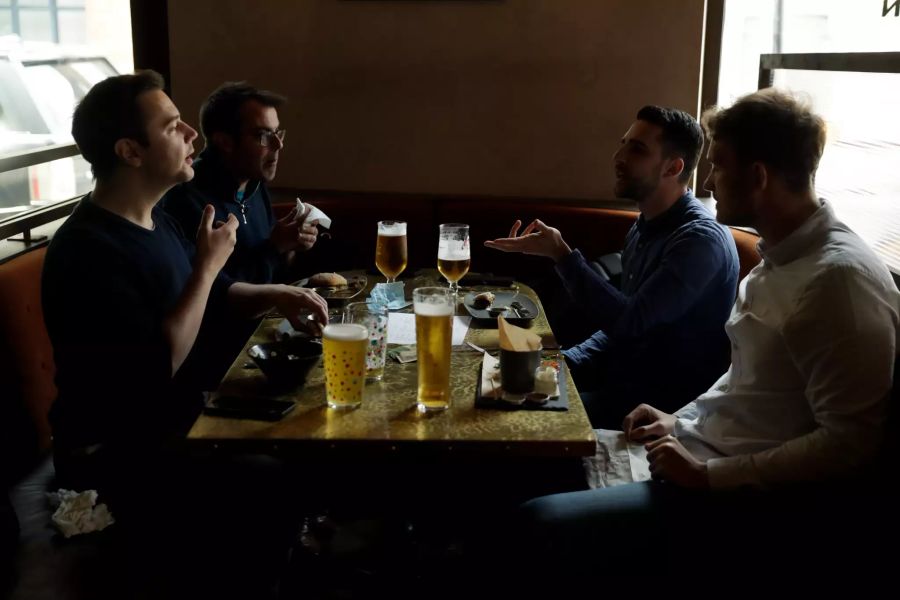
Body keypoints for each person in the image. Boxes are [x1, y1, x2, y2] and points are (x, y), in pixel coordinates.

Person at [513, 89, 900, 591]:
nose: (710, 182)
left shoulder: (839, 282)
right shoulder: (780, 257)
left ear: (758, 176)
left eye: (719, 166)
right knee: (520, 460)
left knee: (534, 523)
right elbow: (749, 381)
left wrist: (708, 476)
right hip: (694, 446)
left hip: (736, 496)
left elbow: (850, 443)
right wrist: (679, 417)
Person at [41, 70, 329, 598]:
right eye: (174, 127)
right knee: (277, 476)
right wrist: (206, 268)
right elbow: (156, 367)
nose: (192, 135)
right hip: (112, 455)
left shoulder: (156, 221)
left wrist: (276, 294)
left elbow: (211, 298)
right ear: (130, 150)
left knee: (313, 432)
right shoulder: (87, 250)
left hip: (175, 418)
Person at [485, 106, 739, 427]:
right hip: (621, 385)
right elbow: (618, 332)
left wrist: (561, 255)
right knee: (491, 384)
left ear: (673, 167)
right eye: (623, 143)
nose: (619, 156)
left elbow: (630, 323)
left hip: (663, 408)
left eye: (637, 149)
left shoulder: (700, 241)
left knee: (509, 418)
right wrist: (561, 363)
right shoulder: (643, 227)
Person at [163, 81, 319, 285]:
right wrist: (274, 247)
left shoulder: (253, 183)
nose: (278, 145)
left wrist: (291, 245)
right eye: (263, 135)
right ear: (225, 142)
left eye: (277, 133)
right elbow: (216, 292)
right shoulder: (185, 199)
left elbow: (272, 274)